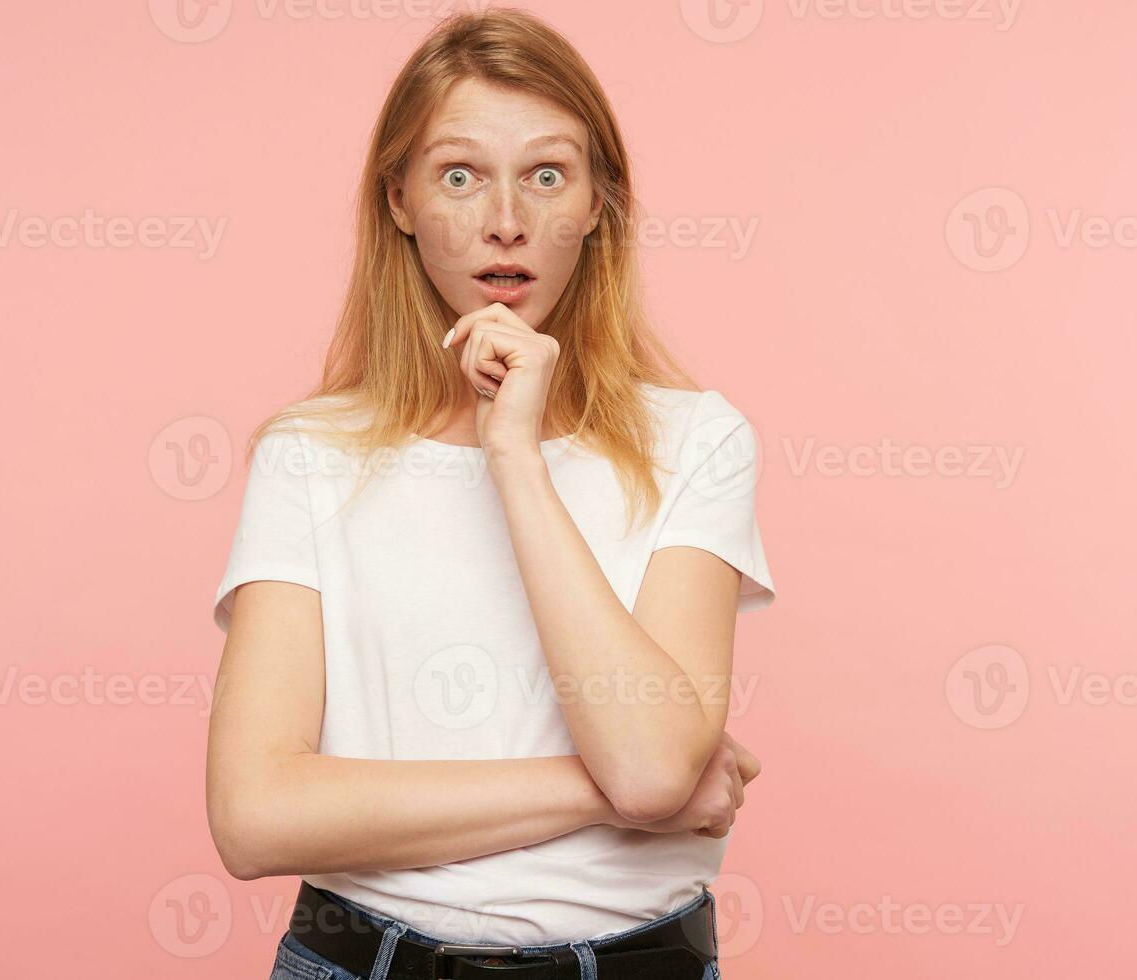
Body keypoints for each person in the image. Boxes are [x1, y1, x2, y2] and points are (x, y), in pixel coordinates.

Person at [205, 9, 777, 979]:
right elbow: (256, 814)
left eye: (547, 173)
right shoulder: (308, 454)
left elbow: (648, 763)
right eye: (460, 174)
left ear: (598, 202)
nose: (505, 217)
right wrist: (600, 793)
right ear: (400, 198)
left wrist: (514, 451)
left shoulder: (699, 438)